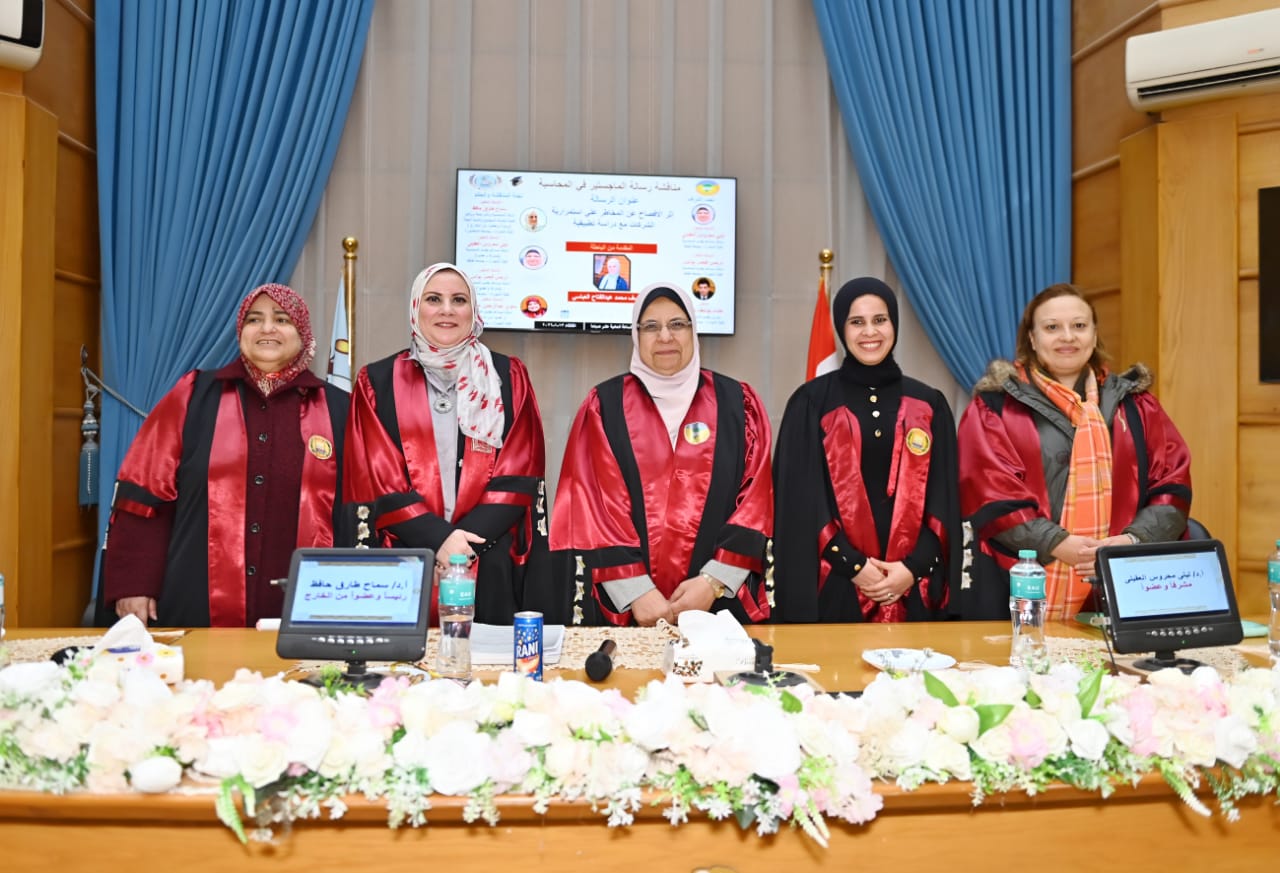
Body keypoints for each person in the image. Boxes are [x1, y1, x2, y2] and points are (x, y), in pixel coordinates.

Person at [102, 284, 349, 627]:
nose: (267, 329)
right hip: (195, 602)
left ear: (303, 333)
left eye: (282, 319)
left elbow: (358, 514)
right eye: (254, 319)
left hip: (309, 609)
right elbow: (143, 494)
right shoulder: (194, 396)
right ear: (240, 330)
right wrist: (134, 582)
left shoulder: (339, 409)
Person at [957, 283, 1192, 621]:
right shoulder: (994, 408)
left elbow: (1172, 486)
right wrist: (1059, 544)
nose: (1067, 337)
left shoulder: (1137, 406)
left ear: (1094, 335)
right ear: (1032, 339)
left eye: (1079, 326)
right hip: (1017, 585)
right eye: (1052, 327)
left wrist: (1130, 541)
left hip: (1125, 584)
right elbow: (990, 494)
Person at [550, 282, 773, 626]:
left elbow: (755, 500)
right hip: (626, 608)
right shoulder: (605, 406)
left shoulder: (737, 404)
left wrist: (714, 581)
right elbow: (592, 504)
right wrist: (635, 590)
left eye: (677, 324)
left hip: (719, 606)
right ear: (636, 335)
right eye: (651, 326)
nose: (665, 336)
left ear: (693, 330)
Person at [344, 263, 548, 624]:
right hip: (406, 556)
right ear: (415, 307)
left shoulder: (508, 375)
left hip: (489, 555)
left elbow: (520, 467)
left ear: (474, 310)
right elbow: (376, 473)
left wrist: (461, 547)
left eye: (459, 300)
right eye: (434, 299)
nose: (447, 310)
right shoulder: (377, 380)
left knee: (488, 658)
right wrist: (438, 539)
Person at [772, 277, 959, 622]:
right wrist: (855, 566)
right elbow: (800, 500)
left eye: (880, 320)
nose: (869, 332)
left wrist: (912, 568)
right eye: (856, 322)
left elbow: (944, 499)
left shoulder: (928, 403)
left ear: (894, 325)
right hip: (834, 586)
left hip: (914, 586)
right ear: (841, 329)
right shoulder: (810, 402)